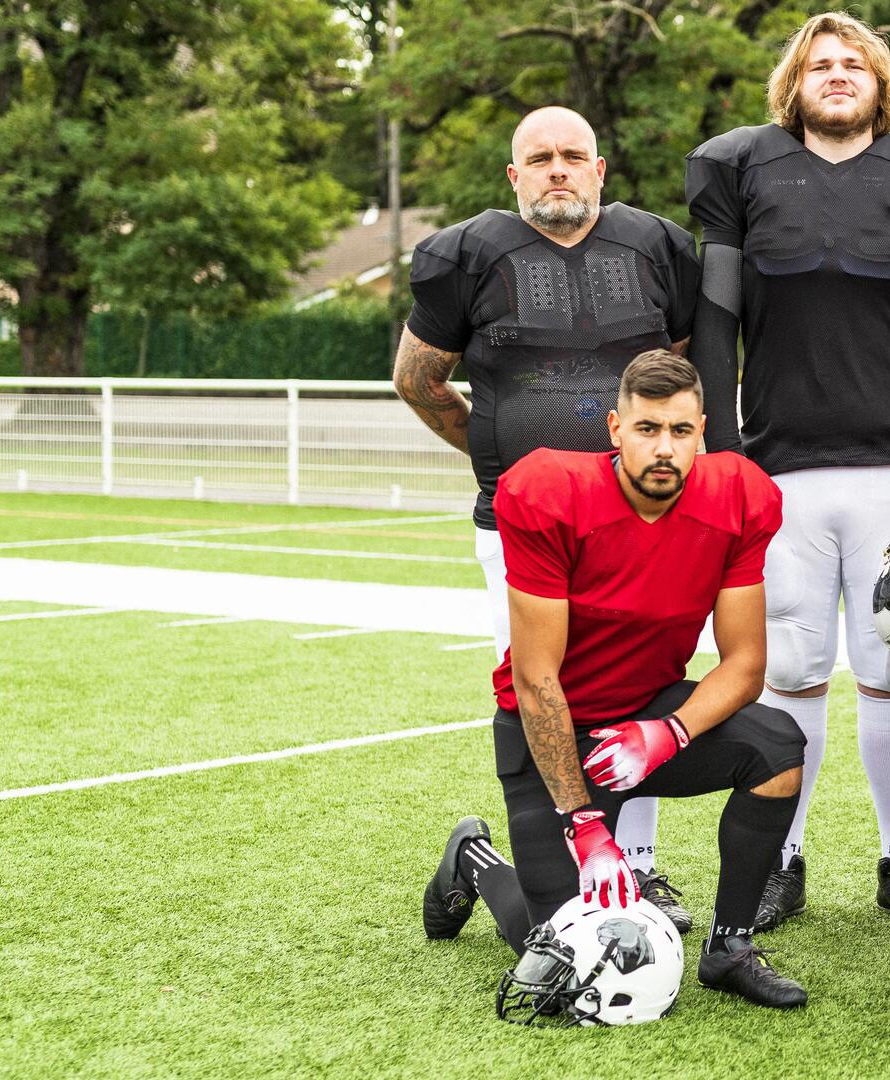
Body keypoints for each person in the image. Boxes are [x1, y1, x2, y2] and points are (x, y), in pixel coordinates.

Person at [683, 10, 890, 931]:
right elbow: (715, 324)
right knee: (791, 667)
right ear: (794, 84)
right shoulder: (745, 172)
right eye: (817, 64)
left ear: (880, 82)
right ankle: (784, 857)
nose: (834, 75)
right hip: (780, 472)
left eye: (851, 64)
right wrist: (726, 456)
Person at [419, 351, 811, 1009]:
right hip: (553, 733)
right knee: (565, 952)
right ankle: (474, 860)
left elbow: (744, 664)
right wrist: (582, 820)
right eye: (647, 429)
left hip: (646, 714)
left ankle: (731, 947)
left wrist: (669, 731)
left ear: (703, 432)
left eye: (680, 432)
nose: (665, 449)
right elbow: (536, 676)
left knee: (777, 749)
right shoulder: (550, 494)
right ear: (614, 430)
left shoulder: (737, 496)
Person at [394, 106, 700, 930]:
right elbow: (417, 379)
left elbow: (684, 375)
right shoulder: (470, 253)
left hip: (642, 516)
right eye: (541, 158)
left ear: (601, 170)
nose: (558, 169)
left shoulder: (657, 247)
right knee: (545, 683)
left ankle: (636, 865)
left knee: (638, 678)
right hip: (519, 524)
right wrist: (494, 455)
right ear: (515, 175)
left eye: (574, 156)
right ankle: (502, 854)